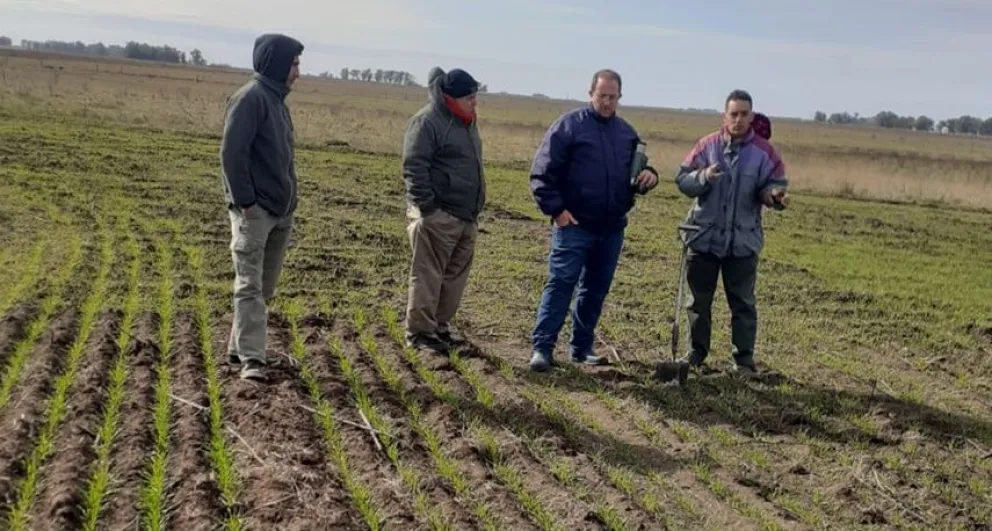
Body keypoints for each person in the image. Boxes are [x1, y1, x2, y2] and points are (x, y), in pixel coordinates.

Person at [527, 69, 660, 372]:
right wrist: (557, 212)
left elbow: (635, 174)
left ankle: (580, 348)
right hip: (574, 225)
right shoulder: (569, 127)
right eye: (602, 96)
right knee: (561, 284)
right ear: (590, 94)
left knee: (595, 289)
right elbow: (541, 173)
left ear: (620, 98)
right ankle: (542, 349)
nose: (607, 102)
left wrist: (649, 177)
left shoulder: (627, 134)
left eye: (613, 97)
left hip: (611, 228)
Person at [674, 90, 789, 376]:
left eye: (744, 114)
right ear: (724, 115)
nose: (738, 119)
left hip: (742, 242)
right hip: (704, 238)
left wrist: (774, 196)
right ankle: (696, 354)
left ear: (751, 116)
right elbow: (682, 180)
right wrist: (703, 177)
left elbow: (774, 185)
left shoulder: (765, 153)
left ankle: (744, 360)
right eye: (733, 114)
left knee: (743, 303)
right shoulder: (706, 145)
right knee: (698, 302)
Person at [220, 33, 304, 381]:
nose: (298, 71)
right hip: (255, 213)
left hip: (280, 212)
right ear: (278, 63)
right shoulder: (251, 99)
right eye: (295, 63)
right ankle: (253, 360)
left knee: (264, 288)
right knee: (250, 286)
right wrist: (247, 204)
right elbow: (231, 154)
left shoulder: (276, 102)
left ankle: (237, 350)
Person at [401, 66, 486, 354]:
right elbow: (414, 166)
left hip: (466, 216)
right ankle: (420, 333)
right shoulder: (427, 122)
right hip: (438, 216)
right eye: (469, 97)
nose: (475, 102)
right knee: (428, 275)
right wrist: (428, 209)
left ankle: (439, 327)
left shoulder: (466, 122)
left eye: (475, 96)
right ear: (451, 97)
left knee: (453, 279)